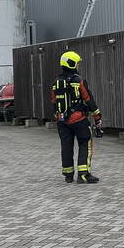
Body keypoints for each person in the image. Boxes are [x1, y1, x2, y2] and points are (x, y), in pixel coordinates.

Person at [51, 50, 102, 184]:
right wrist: (97, 117)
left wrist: (59, 119)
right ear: (72, 64)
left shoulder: (56, 82)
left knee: (66, 146)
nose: (78, 66)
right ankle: (83, 174)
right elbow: (89, 99)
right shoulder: (78, 81)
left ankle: (68, 174)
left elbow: (53, 102)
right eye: (76, 63)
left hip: (62, 121)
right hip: (78, 120)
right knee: (85, 143)